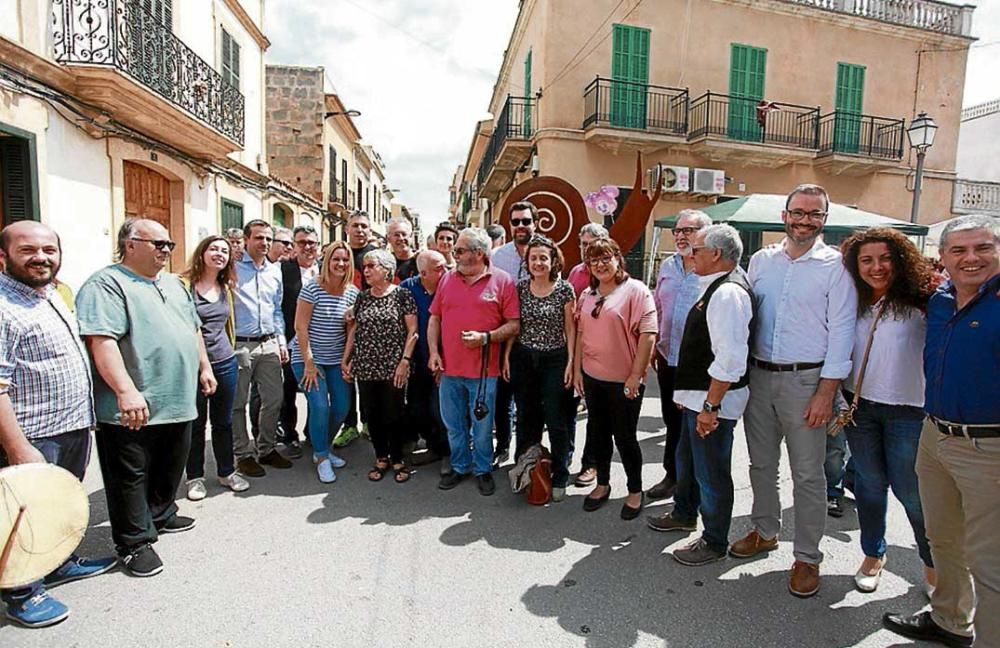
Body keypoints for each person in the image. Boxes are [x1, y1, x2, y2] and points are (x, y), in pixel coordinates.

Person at [731, 184, 857, 599]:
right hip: (760, 376)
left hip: (808, 382)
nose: (805, 220)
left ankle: (807, 556)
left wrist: (826, 392)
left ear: (825, 219)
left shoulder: (836, 267)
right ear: (785, 215)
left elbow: (842, 333)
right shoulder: (762, 261)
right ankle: (766, 531)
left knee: (807, 475)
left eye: (815, 214)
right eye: (798, 212)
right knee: (760, 465)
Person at [883, 215, 1000, 648]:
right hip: (934, 436)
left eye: (983, 248)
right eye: (960, 250)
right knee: (943, 536)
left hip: (988, 447)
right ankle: (951, 620)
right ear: (944, 258)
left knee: (990, 563)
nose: (971, 258)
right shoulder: (940, 299)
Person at [76, 219, 215, 577]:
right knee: (130, 476)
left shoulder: (174, 284)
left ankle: (162, 514)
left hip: (178, 399)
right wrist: (125, 391)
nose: (166, 250)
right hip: (134, 404)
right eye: (158, 244)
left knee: (171, 464)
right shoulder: (106, 284)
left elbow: (193, 328)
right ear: (130, 244)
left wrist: (204, 367)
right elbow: (101, 341)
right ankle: (134, 543)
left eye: (168, 244)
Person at [0, 221, 116, 628]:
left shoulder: (49, 295)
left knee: (56, 504)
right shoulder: (2, 306)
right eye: (28, 250)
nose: (41, 257)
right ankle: (22, 593)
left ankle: (57, 562)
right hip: (32, 433)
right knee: (22, 514)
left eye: (49, 250)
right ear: (4, 257)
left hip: (70, 424)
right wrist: (18, 447)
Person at [831, 228, 936, 593]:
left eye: (885, 258)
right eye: (867, 260)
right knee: (869, 487)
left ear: (901, 259)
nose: (877, 267)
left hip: (908, 410)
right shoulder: (850, 301)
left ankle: (932, 562)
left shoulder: (924, 300)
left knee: (912, 493)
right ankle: (873, 554)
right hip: (859, 408)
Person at [645, 225, 753, 566]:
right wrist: (690, 395)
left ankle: (714, 540)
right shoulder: (715, 286)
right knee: (688, 460)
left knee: (711, 472)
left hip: (714, 403)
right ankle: (684, 512)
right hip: (699, 398)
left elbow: (730, 359)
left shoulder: (727, 294)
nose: (691, 254)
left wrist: (709, 406)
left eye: (697, 249)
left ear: (716, 254)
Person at [429, 227, 519, 496]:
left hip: (484, 372)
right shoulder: (447, 280)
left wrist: (486, 337)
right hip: (449, 369)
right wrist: (434, 352)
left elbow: (513, 324)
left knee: (482, 427)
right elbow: (435, 318)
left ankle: (482, 470)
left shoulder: (503, 281)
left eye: (459, 250)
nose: (453, 255)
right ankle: (460, 466)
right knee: (454, 424)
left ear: (478, 253)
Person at [573, 238, 656, 518]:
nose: (600, 264)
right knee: (597, 432)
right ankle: (603, 483)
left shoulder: (636, 291)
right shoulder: (588, 295)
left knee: (625, 436)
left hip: (625, 381)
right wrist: (577, 371)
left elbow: (648, 335)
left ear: (618, 258)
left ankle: (635, 490)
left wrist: (636, 374)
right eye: (594, 260)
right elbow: (581, 333)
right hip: (593, 377)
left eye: (605, 257)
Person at [502, 235, 576, 502]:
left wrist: (571, 363)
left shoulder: (565, 289)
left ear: (553, 260)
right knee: (525, 418)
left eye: (543, 257)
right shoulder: (520, 288)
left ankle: (560, 474)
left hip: (555, 359)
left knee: (556, 419)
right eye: (533, 258)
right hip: (524, 358)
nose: (538, 262)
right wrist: (506, 356)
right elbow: (514, 325)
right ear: (527, 261)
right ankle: (525, 468)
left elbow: (571, 329)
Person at [647, 209, 711, 502]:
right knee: (672, 422)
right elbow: (659, 307)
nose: (682, 236)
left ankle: (692, 488)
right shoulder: (668, 266)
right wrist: (654, 343)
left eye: (689, 230)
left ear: (705, 233)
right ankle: (672, 477)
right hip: (667, 357)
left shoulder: (713, 269)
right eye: (678, 230)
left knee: (695, 429)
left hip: (699, 365)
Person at [182, 236, 250, 500]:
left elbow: (227, 326)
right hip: (193, 366)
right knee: (196, 424)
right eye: (214, 249)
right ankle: (195, 478)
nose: (220, 254)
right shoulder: (184, 286)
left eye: (224, 251)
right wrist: (202, 365)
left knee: (223, 422)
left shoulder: (226, 287)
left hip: (224, 362)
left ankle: (226, 471)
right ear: (202, 253)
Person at [343, 249, 418, 483]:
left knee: (393, 414)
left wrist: (404, 362)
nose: (365, 271)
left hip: (392, 366)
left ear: (386, 270)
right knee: (372, 414)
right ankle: (381, 457)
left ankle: (398, 458)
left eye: (371, 266)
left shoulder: (402, 295)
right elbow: (355, 330)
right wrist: (346, 359)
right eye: (364, 267)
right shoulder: (362, 297)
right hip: (366, 366)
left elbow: (413, 332)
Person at [289, 242, 359, 483]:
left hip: (335, 359)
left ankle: (323, 446)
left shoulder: (352, 292)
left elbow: (351, 331)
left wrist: (346, 360)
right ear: (327, 261)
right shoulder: (312, 288)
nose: (340, 264)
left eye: (345, 259)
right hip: (307, 357)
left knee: (341, 406)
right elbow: (300, 326)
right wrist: (309, 363)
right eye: (336, 259)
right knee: (319, 406)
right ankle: (320, 456)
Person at [231, 219, 292, 478]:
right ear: (246, 239)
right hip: (239, 345)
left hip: (268, 343)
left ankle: (266, 448)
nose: (264, 243)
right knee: (238, 403)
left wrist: (280, 341)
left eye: (268, 238)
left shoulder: (274, 271)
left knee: (273, 399)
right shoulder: (231, 267)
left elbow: (276, 309)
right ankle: (243, 454)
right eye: (259, 238)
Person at [489, 201, 537, 465]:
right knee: (502, 397)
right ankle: (503, 446)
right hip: (504, 335)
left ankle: (525, 453)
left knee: (528, 400)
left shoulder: (545, 252)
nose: (521, 226)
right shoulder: (498, 257)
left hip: (535, 338)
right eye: (516, 221)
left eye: (526, 221)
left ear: (535, 223)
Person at [566, 222, 609, 487]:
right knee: (569, 408)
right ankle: (564, 459)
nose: (585, 249)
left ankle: (591, 463)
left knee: (598, 416)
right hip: (578, 349)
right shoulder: (576, 272)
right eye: (582, 244)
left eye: (590, 244)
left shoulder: (615, 272)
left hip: (603, 355)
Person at [400, 250, 451, 472]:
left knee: (440, 410)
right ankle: (433, 446)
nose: (446, 270)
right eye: (439, 267)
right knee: (418, 409)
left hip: (445, 360)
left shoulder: (452, 285)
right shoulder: (407, 288)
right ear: (423, 273)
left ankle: (447, 452)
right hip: (417, 361)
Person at [273, 224, 321, 455]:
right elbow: (277, 307)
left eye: (312, 242)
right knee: (288, 390)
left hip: (320, 342)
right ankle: (289, 435)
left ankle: (313, 434)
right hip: (292, 341)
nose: (307, 247)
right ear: (294, 245)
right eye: (302, 242)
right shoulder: (282, 270)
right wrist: (281, 339)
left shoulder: (326, 270)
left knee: (317, 390)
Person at [347, 211, 377, 289]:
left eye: (364, 226)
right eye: (355, 226)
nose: (359, 230)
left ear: (370, 231)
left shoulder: (378, 255)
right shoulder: (339, 253)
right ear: (347, 229)